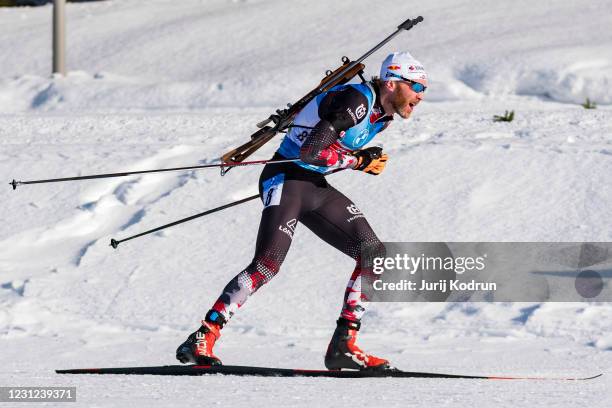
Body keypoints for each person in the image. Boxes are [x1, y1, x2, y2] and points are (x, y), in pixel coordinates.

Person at [176, 51, 428, 370]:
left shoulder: (383, 114)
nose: (420, 96)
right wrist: (359, 161)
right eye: (417, 87)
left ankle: (343, 346)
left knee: (373, 253)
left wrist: (363, 155)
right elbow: (310, 152)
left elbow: (329, 149)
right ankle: (203, 336)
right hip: (286, 177)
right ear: (393, 83)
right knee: (267, 265)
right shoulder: (357, 101)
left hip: (312, 184)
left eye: (424, 89)